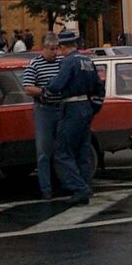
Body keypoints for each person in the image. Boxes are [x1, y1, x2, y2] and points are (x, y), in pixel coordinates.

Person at [44, 30, 104, 205]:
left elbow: (57, 85)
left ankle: (79, 188)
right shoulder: (87, 61)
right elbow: (99, 88)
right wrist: (94, 108)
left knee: (63, 152)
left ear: (63, 47)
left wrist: (47, 88)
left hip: (71, 107)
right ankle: (84, 188)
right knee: (82, 152)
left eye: (59, 48)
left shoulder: (69, 62)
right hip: (85, 107)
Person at [21, 32, 64, 199]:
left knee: (63, 149)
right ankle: (46, 188)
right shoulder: (34, 65)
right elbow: (27, 87)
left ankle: (64, 182)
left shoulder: (62, 62)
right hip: (44, 110)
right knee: (44, 151)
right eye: (52, 49)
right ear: (44, 49)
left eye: (57, 49)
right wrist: (45, 91)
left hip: (61, 108)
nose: (55, 52)